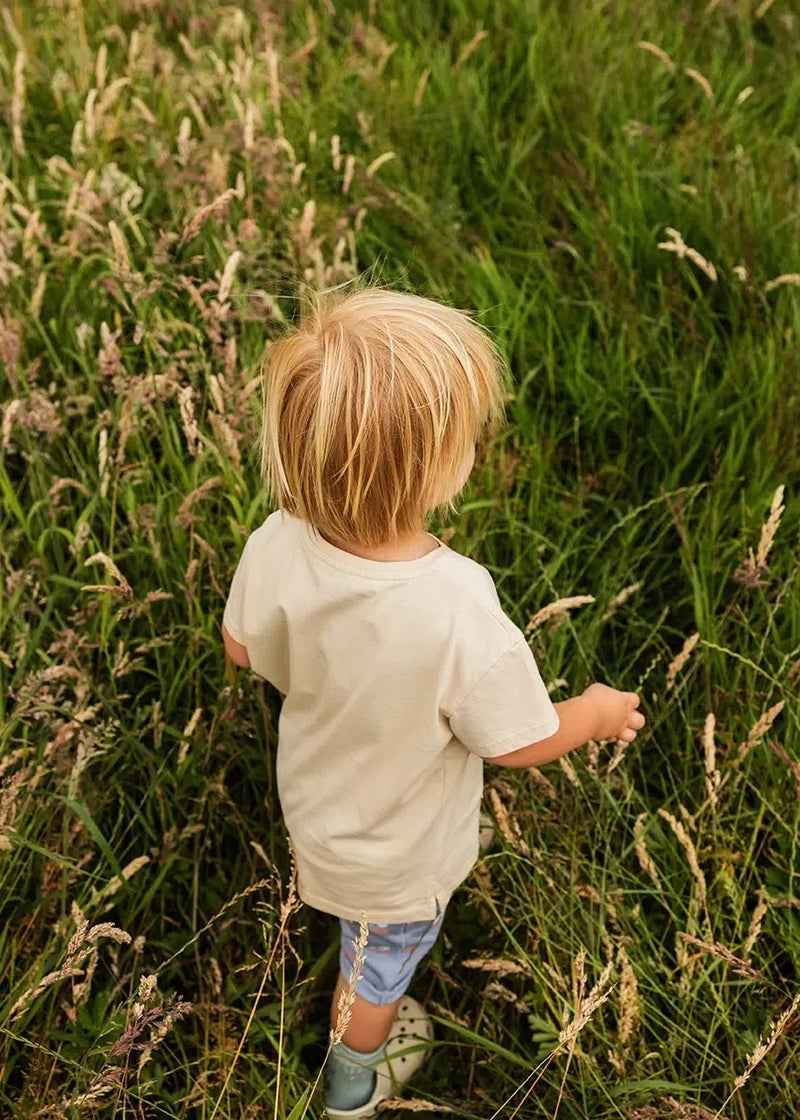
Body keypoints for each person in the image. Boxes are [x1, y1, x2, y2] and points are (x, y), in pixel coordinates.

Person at [221, 285, 645, 1116]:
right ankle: (352, 1079)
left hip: (317, 805)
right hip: (396, 857)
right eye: (466, 440)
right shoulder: (456, 606)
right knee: (379, 963)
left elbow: (242, 648)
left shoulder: (275, 540)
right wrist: (592, 714)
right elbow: (514, 741)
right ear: (431, 471)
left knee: (364, 933)